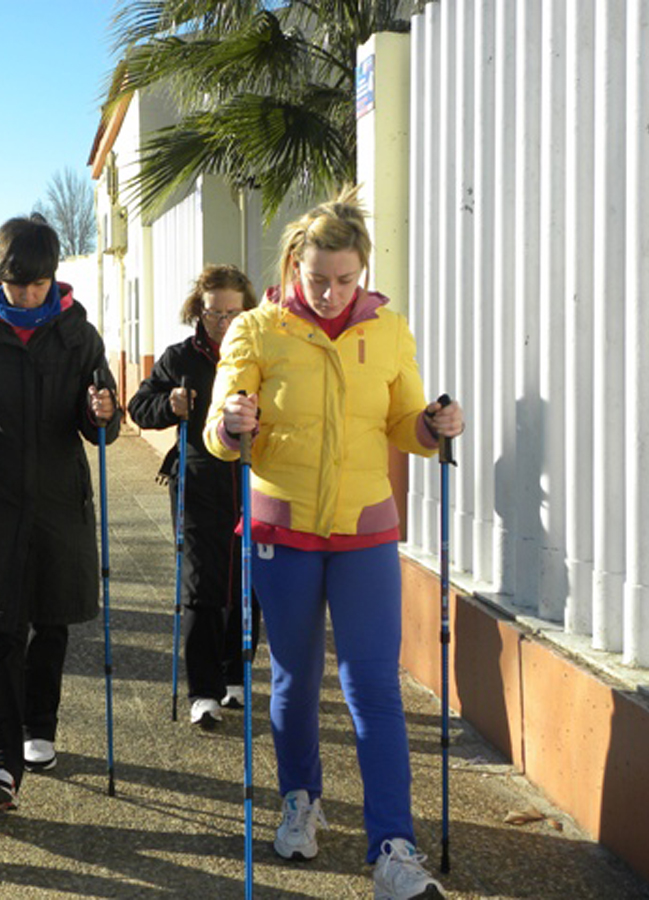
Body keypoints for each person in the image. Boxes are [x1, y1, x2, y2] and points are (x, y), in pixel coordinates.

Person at [204, 185, 462, 900]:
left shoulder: (389, 331)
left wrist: (434, 427)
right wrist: (234, 423)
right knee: (292, 678)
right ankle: (300, 802)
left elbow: (404, 421)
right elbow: (219, 436)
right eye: (316, 277)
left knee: (372, 684)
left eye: (344, 279)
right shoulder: (256, 329)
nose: (328, 291)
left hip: (365, 529)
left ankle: (392, 847)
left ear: (362, 272)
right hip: (280, 526)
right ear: (294, 263)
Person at [0, 215, 118, 812]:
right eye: (17, 283)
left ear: (53, 278)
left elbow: (101, 427)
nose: (28, 295)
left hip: (60, 502)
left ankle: (40, 724)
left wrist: (102, 411)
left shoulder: (78, 334)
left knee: (50, 622)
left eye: (38, 284)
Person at [128, 264, 261, 730]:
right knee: (202, 584)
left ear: (247, 310)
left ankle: (236, 675)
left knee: (247, 579)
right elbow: (137, 407)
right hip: (198, 483)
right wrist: (169, 405)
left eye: (231, 313)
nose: (222, 322)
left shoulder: (262, 355)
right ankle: (203, 691)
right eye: (213, 314)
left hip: (253, 481)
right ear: (198, 312)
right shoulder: (179, 358)